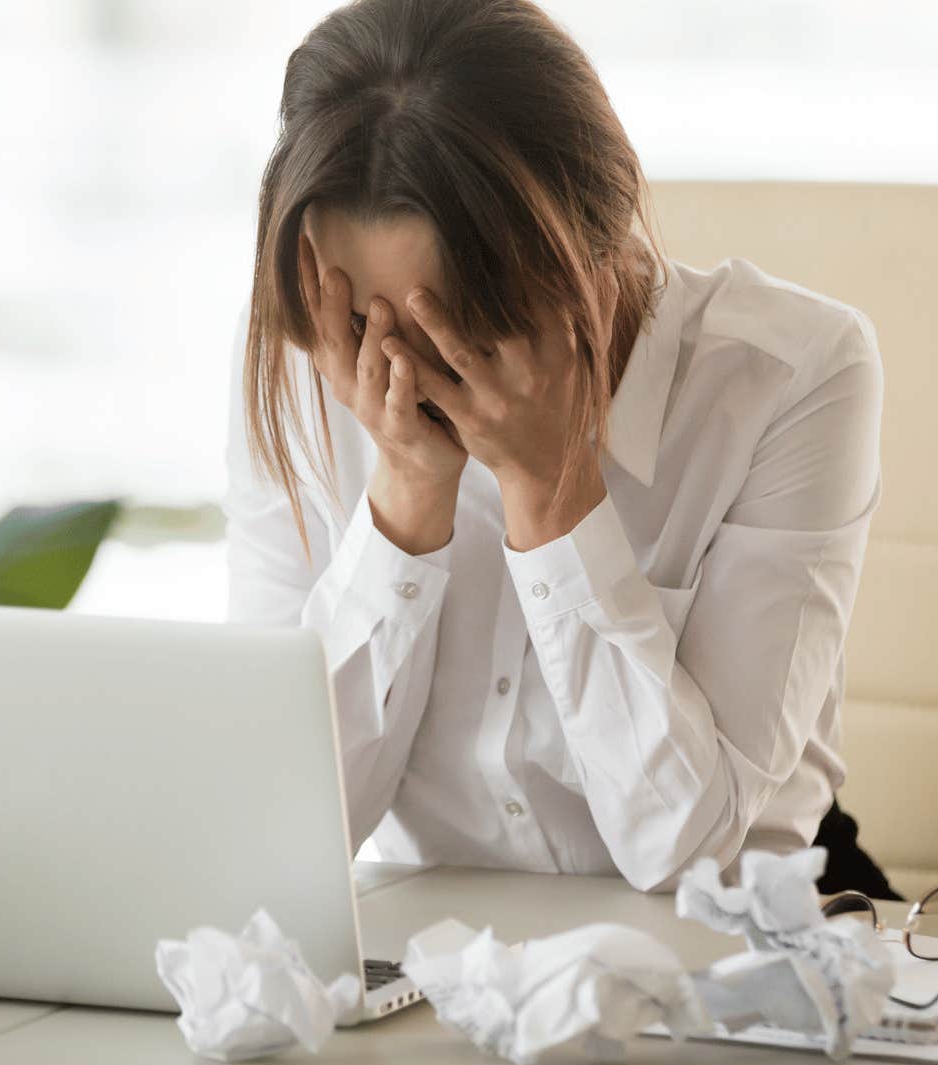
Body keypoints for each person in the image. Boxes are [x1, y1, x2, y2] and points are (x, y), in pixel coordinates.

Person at [223, 0, 897, 899]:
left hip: (729, 958)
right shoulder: (309, 360)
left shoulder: (792, 376)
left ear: (598, 245)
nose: (397, 372)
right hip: (439, 969)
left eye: (453, 332)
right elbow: (276, 830)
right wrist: (404, 503)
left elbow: (686, 850)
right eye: (362, 318)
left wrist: (550, 494)